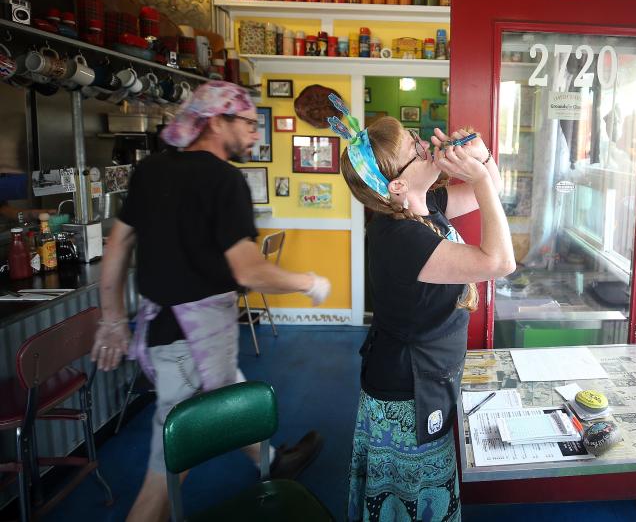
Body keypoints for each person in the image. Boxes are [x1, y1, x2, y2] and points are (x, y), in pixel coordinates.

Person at [90, 82, 332, 522]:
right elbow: (248, 270)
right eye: (247, 124)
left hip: (168, 329)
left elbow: (118, 242)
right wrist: (307, 281)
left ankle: (275, 461)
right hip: (192, 339)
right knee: (170, 464)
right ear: (216, 122)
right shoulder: (225, 180)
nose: (256, 134)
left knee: (227, 393)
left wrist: (112, 318)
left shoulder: (152, 170)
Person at [330, 102, 513, 522]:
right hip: (405, 390)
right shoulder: (399, 236)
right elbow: (499, 261)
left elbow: (493, 187)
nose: (426, 145)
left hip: (428, 373)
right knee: (411, 501)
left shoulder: (425, 205)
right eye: (416, 147)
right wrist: (479, 176)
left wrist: (479, 156)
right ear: (395, 187)